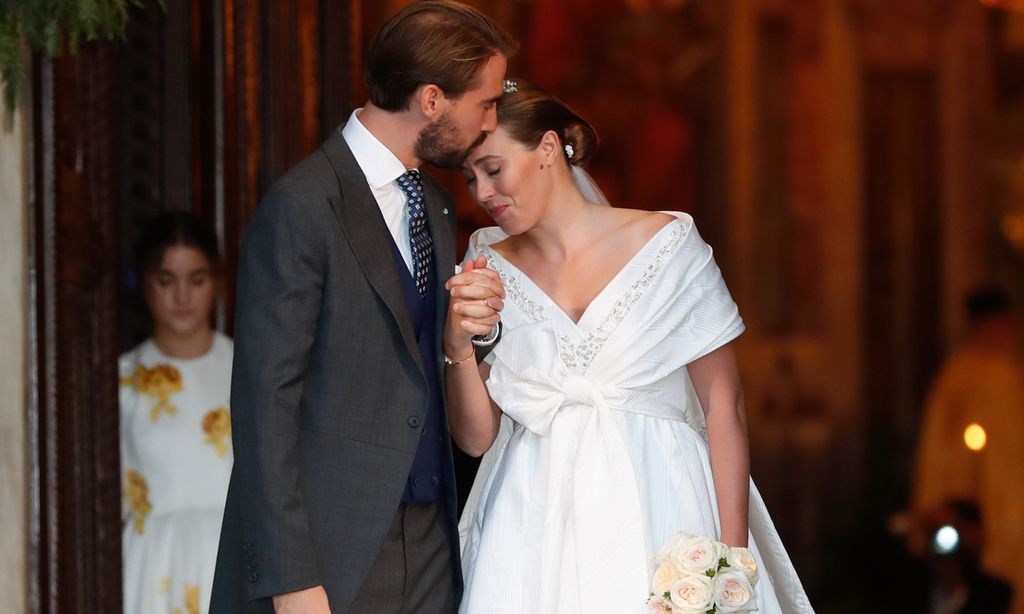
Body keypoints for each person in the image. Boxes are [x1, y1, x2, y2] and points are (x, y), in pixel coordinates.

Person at [446, 80, 813, 613]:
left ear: (548, 148)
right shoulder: (485, 263)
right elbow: (476, 439)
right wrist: (456, 342)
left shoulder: (669, 245)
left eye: (493, 169)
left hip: (659, 498)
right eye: (470, 177)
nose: (481, 193)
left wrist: (728, 559)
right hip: (529, 518)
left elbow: (722, 404)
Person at [209, 3, 515, 614]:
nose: (491, 120)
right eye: (484, 102)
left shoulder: (433, 201)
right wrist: (291, 580)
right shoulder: (302, 206)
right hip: (333, 551)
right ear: (431, 100)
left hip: (431, 540)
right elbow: (264, 406)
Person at [120, 211, 233, 614]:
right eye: (166, 281)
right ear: (146, 286)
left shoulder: (249, 371)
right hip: (152, 565)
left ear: (217, 282)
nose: (182, 297)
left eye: (196, 280)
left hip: (232, 556)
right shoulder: (121, 382)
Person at [912, 286, 1024, 614]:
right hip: (975, 509)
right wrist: (936, 508)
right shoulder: (957, 379)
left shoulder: (1015, 375)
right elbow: (935, 453)